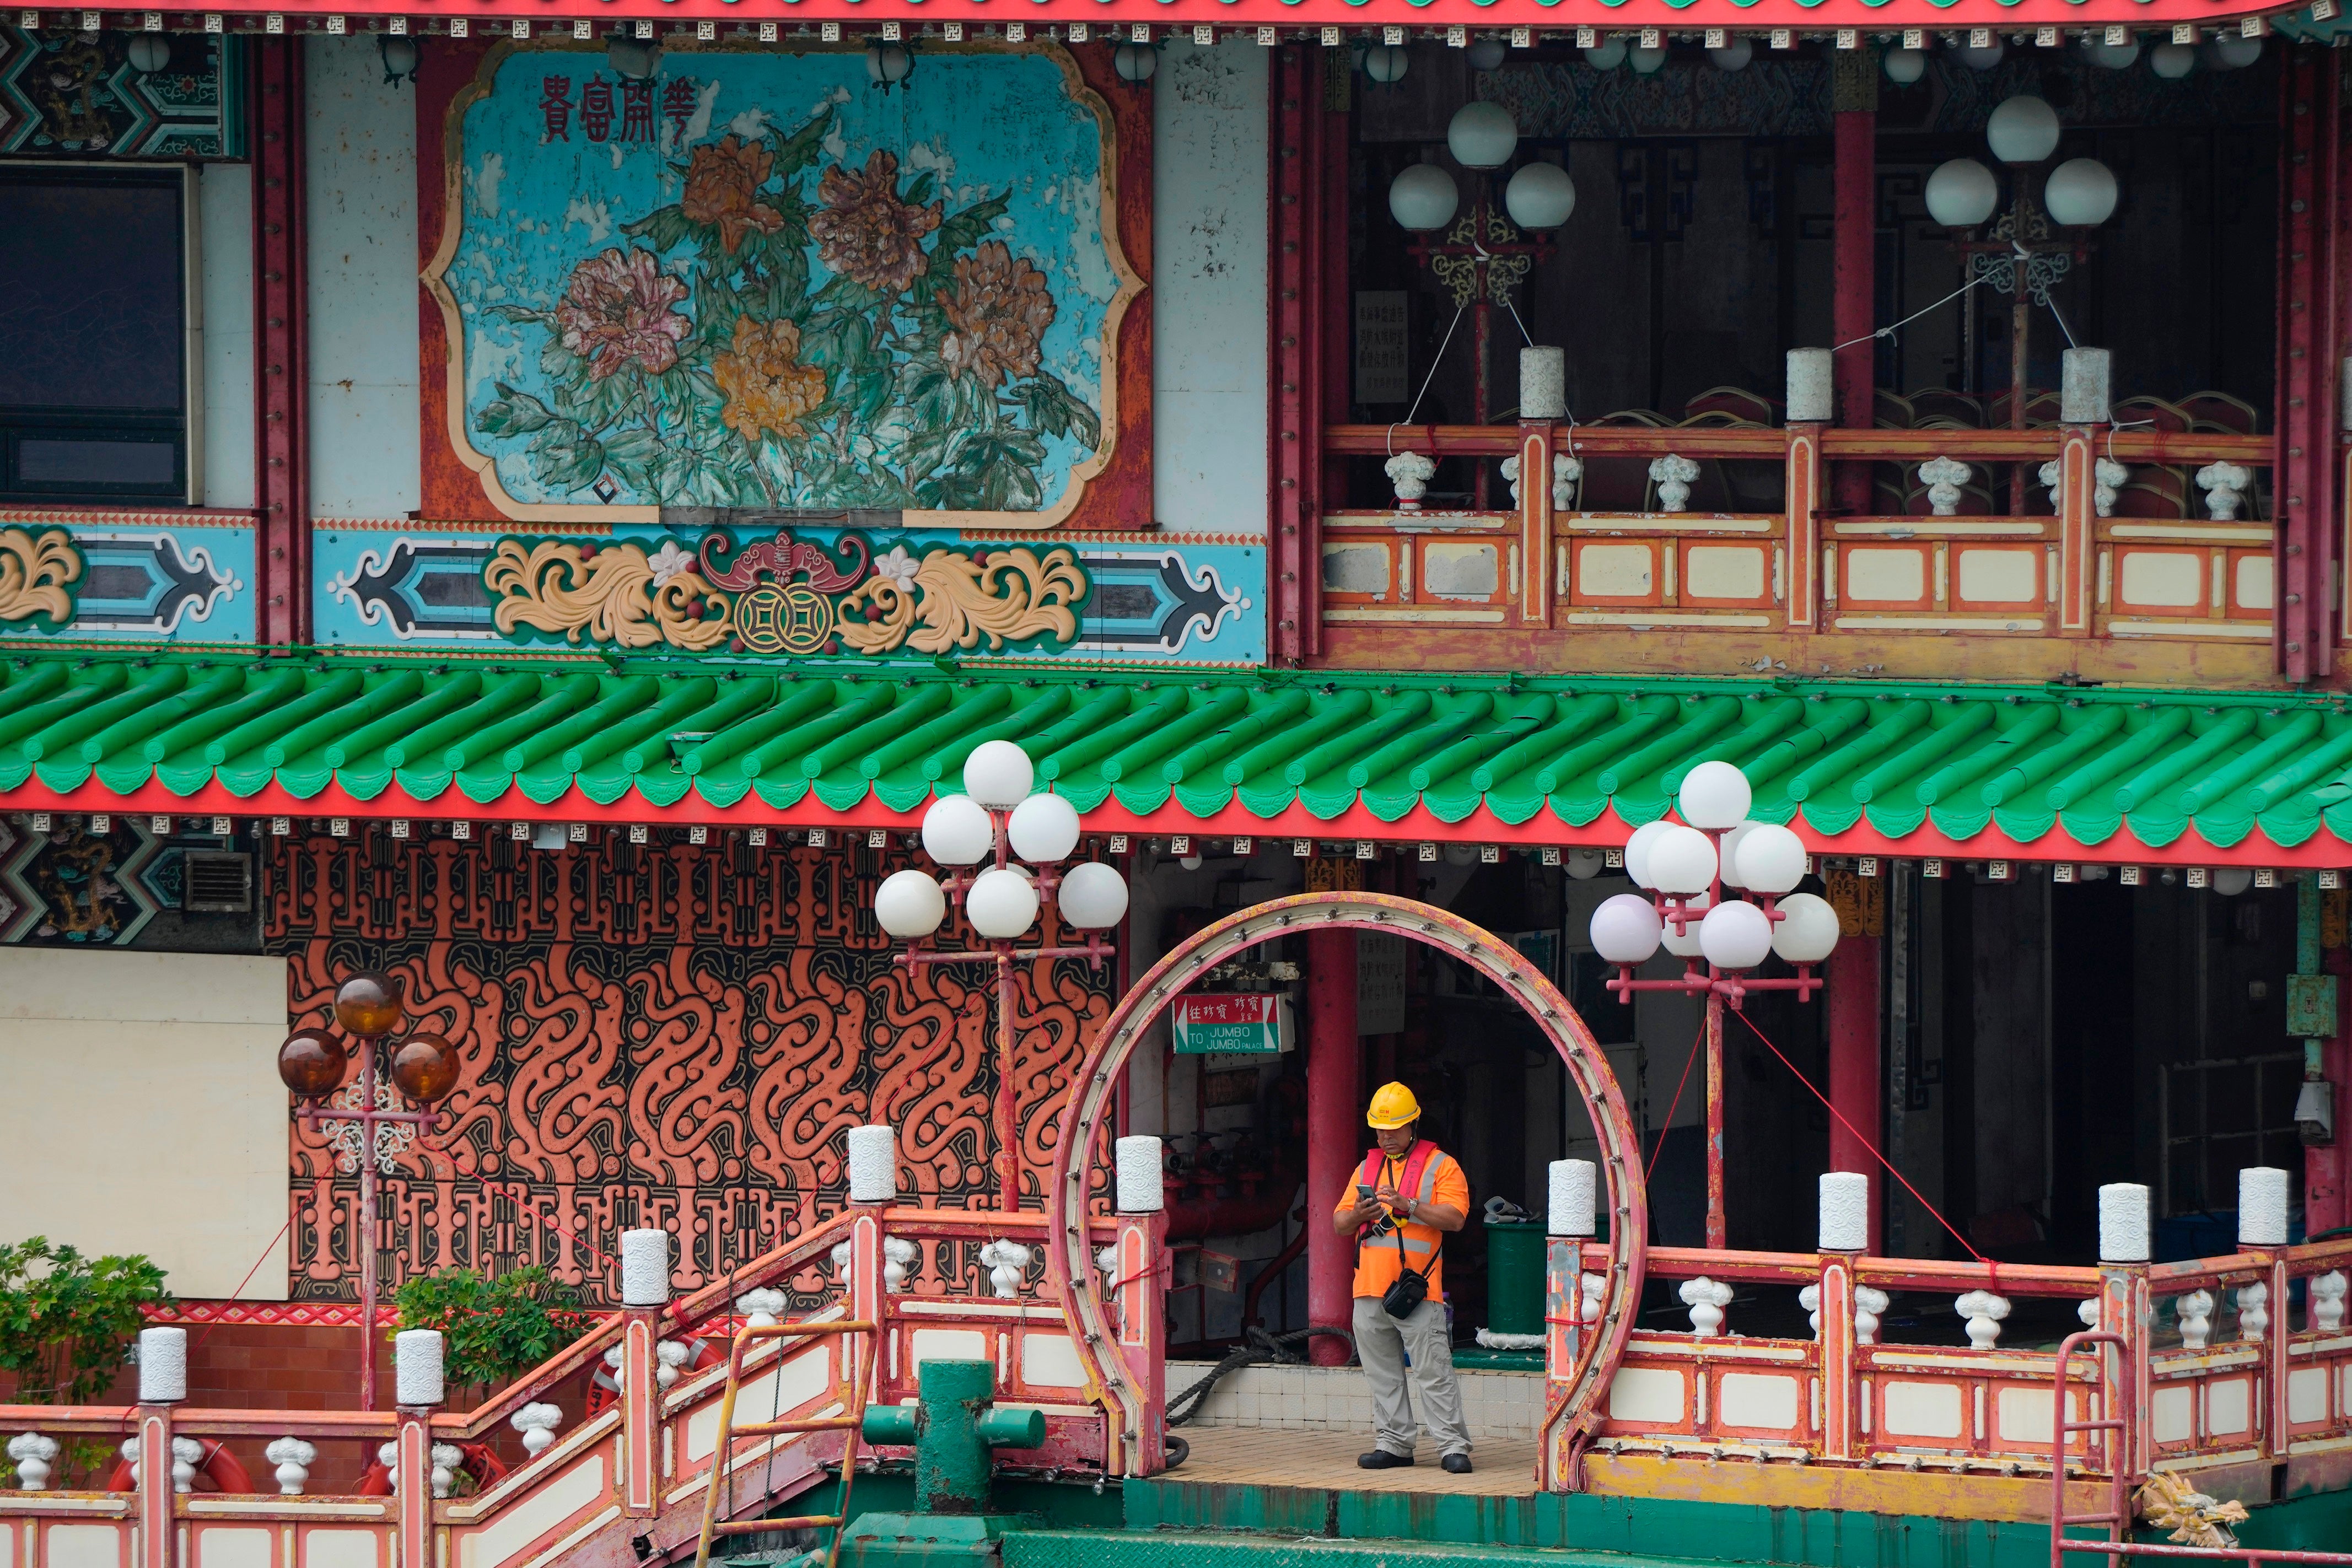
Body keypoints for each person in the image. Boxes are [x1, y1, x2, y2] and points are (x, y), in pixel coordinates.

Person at [1330, 1081, 1473, 1473]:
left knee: (1433, 1371)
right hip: (1369, 1289)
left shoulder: (1442, 1165)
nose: (1385, 1137)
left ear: (1413, 1124)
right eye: (1379, 1130)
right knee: (1382, 1374)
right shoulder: (1366, 1168)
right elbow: (1340, 1223)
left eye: (1392, 1129)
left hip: (1417, 1289)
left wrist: (1409, 1205)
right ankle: (1393, 1444)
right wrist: (1362, 1211)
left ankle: (1451, 1447)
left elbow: (1456, 1218)